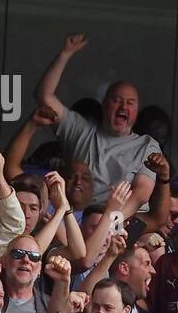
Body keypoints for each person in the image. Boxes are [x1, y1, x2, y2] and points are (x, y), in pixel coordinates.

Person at [33, 34, 158, 212]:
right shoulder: (79, 129)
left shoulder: (147, 145)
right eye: (117, 100)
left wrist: (110, 224)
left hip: (122, 223)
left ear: (136, 110)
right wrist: (65, 54)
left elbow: (141, 194)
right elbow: (44, 97)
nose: (123, 106)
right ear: (105, 103)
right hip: (78, 218)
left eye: (130, 103)